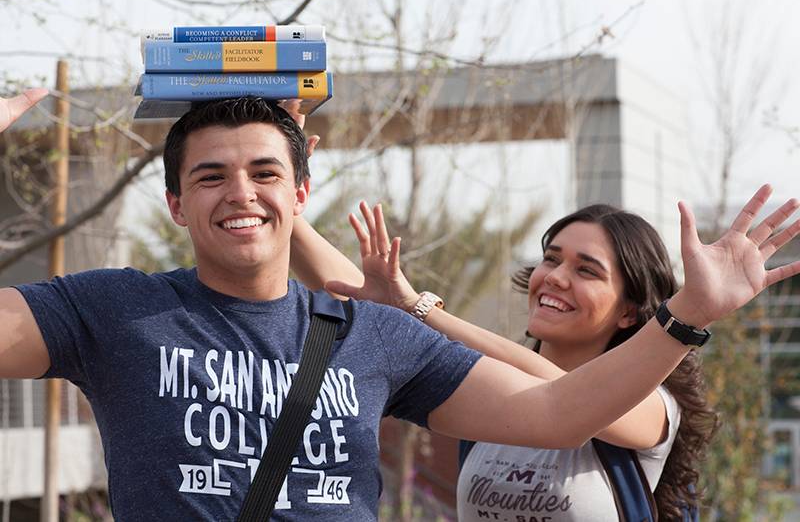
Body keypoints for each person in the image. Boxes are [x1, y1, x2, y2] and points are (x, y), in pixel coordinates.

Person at [1, 90, 799, 521]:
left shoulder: (377, 337)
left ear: (302, 191)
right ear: (175, 203)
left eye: (265, 173)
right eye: (211, 176)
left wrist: (686, 315)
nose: (240, 192)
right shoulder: (111, 308)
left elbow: (560, 413)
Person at [291, 202, 722, 520]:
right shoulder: (491, 396)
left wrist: (419, 310)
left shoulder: (654, 407)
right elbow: (351, 293)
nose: (555, 276)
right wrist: (280, 199)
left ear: (630, 311)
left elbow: (561, 396)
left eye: (586, 270)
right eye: (551, 258)